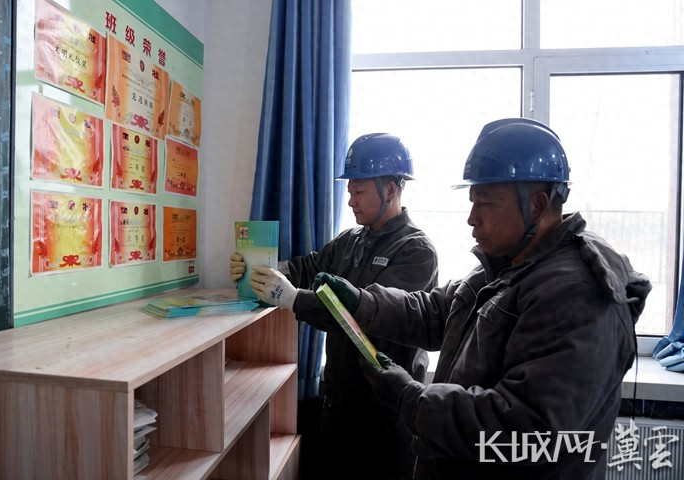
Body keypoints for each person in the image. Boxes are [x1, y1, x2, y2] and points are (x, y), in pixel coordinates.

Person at [259, 118, 652, 479]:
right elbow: (433, 312)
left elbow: (526, 431)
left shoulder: (575, 295)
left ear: (536, 204)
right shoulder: (502, 268)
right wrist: (362, 302)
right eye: (471, 201)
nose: (471, 218)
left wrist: (412, 398)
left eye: (485, 202)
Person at [233, 132, 439, 480]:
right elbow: (305, 268)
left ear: (391, 189)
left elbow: (366, 318)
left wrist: (293, 298)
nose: (351, 201)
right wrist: (257, 270)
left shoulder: (416, 251)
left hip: (385, 415)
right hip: (338, 405)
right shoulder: (349, 241)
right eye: (349, 191)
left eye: (358, 192)